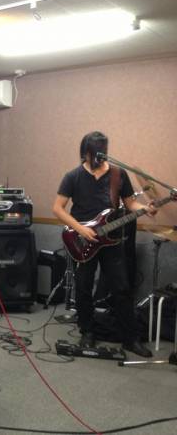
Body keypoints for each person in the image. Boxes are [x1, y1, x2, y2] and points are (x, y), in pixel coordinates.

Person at [52, 131, 155, 358]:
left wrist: (145, 209)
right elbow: (57, 208)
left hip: (111, 241)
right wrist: (80, 229)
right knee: (83, 287)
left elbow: (131, 203)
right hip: (82, 240)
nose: (100, 157)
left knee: (122, 288)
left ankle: (130, 339)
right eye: (95, 153)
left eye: (103, 152)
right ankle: (87, 331)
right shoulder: (73, 176)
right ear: (85, 153)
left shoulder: (118, 174)